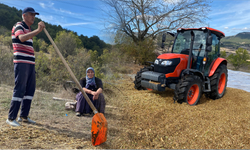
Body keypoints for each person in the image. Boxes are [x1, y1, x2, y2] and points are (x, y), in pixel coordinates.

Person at [6, 7, 45, 127]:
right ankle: (11, 118)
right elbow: (22, 38)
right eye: (31, 14)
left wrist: (35, 30)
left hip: (30, 64)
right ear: (24, 15)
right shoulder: (19, 25)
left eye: (34, 15)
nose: (33, 17)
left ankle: (23, 116)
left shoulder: (28, 29)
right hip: (21, 62)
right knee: (20, 88)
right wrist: (38, 30)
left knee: (30, 90)